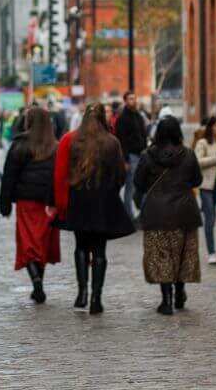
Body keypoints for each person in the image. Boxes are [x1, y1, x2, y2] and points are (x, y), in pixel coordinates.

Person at [52, 103, 134, 314]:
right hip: (103, 200)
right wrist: (111, 190)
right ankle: (96, 298)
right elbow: (120, 175)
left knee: (80, 246)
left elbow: (63, 172)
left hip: (79, 198)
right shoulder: (112, 142)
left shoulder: (73, 140)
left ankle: (82, 293)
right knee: (99, 250)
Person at [134, 115, 202, 315]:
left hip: (157, 213)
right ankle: (180, 292)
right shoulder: (189, 155)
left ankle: (166, 299)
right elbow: (196, 180)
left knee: (161, 256)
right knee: (182, 254)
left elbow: (138, 183)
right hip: (184, 212)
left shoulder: (147, 156)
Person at [0, 106, 61, 303]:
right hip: (48, 202)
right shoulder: (56, 146)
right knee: (41, 244)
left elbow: (9, 176)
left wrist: (5, 204)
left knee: (29, 243)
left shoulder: (20, 145)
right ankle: (38, 283)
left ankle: (36, 283)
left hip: (27, 201)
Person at [193, 114, 216, 263]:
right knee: (210, 219)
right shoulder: (203, 143)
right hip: (207, 186)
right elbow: (197, 162)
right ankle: (211, 252)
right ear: (211, 127)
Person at [116, 90, 149, 219]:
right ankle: (128, 214)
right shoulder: (122, 119)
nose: (133, 101)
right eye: (130, 99)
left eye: (134, 98)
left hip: (141, 155)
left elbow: (143, 135)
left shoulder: (138, 116)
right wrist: (124, 160)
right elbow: (121, 140)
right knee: (131, 186)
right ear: (125, 101)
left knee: (140, 185)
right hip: (131, 156)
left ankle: (140, 213)